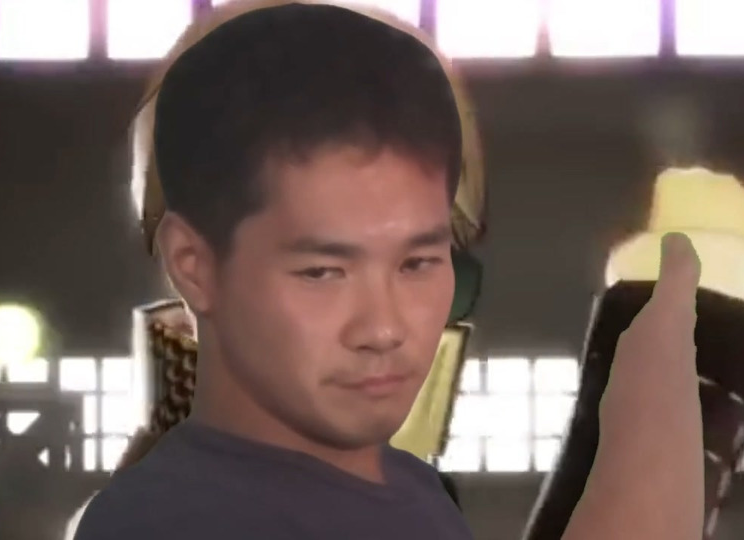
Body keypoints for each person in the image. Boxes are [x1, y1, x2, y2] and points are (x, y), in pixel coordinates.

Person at [75, 2, 703, 539]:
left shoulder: (410, 490)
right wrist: (654, 416)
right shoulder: (177, 520)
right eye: (323, 273)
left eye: (418, 263)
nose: (384, 328)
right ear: (194, 267)